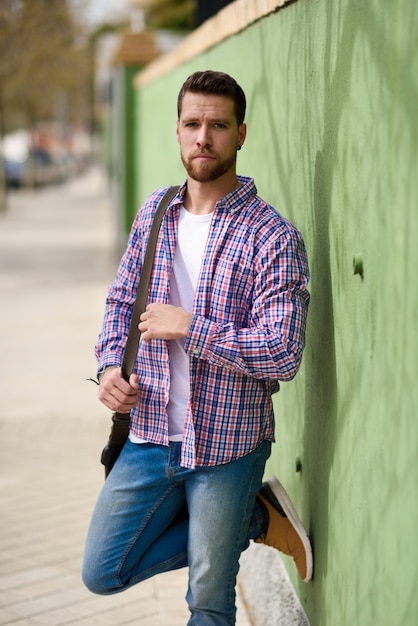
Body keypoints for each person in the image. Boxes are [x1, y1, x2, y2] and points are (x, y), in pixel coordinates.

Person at [82, 70, 312, 624]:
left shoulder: (272, 236)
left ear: (241, 134)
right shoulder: (154, 213)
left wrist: (192, 326)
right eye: (193, 123)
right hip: (152, 434)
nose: (203, 137)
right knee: (102, 570)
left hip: (228, 443)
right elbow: (120, 304)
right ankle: (253, 521)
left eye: (218, 125)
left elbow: (283, 352)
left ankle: (235, 514)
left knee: (207, 600)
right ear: (178, 130)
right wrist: (110, 365)